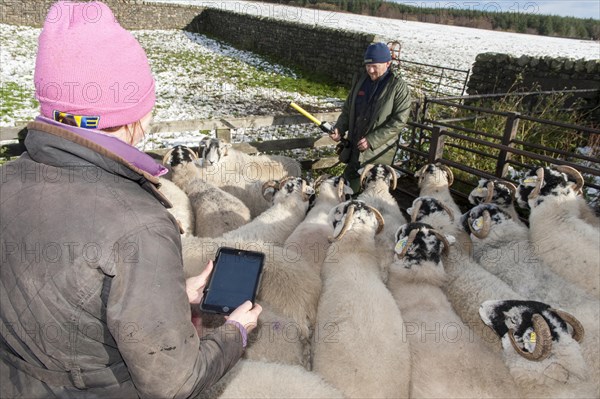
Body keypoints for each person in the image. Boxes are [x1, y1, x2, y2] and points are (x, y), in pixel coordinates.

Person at [0, 2, 261, 397]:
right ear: (132, 117)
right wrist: (234, 335)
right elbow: (174, 382)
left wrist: (165, 295)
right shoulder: (137, 225)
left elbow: (69, 297)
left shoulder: (9, 178)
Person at [330, 42, 412, 192]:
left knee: (370, 193)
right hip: (355, 148)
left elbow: (399, 121)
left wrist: (372, 140)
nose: (370, 70)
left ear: (388, 63)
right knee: (345, 189)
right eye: (368, 66)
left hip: (377, 155)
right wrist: (340, 128)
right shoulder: (361, 82)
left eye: (375, 66)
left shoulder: (398, 88)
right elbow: (349, 109)